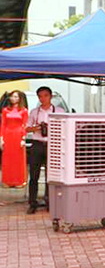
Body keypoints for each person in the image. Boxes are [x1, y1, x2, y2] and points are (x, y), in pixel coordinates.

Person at [25, 86, 63, 214]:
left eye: (45, 95)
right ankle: (32, 202)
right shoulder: (34, 112)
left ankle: (50, 201)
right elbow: (27, 128)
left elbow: (64, 127)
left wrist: (50, 127)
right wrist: (37, 127)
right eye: (40, 96)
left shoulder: (59, 111)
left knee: (51, 175)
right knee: (34, 175)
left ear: (50, 96)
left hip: (52, 144)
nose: (43, 99)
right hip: (37, 144)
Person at [1, 90, 28, 187]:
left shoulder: (24, 110)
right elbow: (3, 124)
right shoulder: (5, 110)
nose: (13, 98)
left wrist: (23, 138)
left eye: (16, 97)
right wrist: (1, 138)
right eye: (12, 96)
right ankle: (7, 181)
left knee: (18, 159)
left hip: (18, 135)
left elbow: (25, 125)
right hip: (8, 135)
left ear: (20, 98)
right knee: (7, 158)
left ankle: (19, 181)